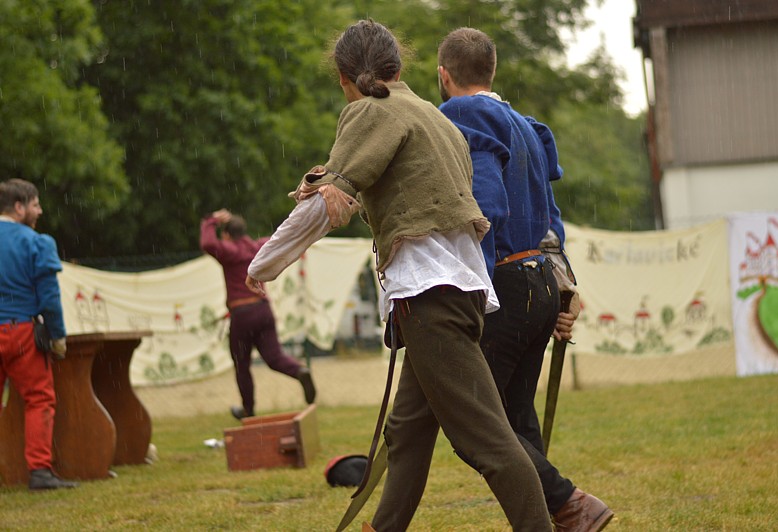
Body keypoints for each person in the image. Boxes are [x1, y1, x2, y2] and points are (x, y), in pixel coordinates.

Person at [245, 19, 553, 532]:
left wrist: (264, 264)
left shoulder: (369, 111)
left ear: (344, 77)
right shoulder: (434, 116)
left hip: (429, 299)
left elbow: (329, 202)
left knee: (488, 442)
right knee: (407, 432)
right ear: (400, 66)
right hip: (461, 293)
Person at [437, 28, 612, 531]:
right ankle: (553, 520)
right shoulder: (524, 124)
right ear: (492, 71)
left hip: (506, 287)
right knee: (514, 418)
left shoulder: (464, 114)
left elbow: (487, 205)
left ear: (444, 76)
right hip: (540, 283)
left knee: (475, 426)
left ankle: (571, 503)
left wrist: (476, 288)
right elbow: (551, 220)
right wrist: (565, 289)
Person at [200, 208, 316, 419]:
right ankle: (300, 371)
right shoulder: (258, 248)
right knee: (274, 357)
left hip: (242, 314)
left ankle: (248, 411)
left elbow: (207, 243)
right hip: (263, 310)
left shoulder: (229, 251)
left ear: (226, 235)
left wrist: (211, 220)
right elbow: (282, 240)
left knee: (242, 366)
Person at [0, 178, 77, 490]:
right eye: (35, 204)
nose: (40, 211)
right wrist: (57, 335)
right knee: (39, 400)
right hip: (20, 330)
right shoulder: (36, 242)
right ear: (19, 208)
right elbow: (49, 298)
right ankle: (40, 472)